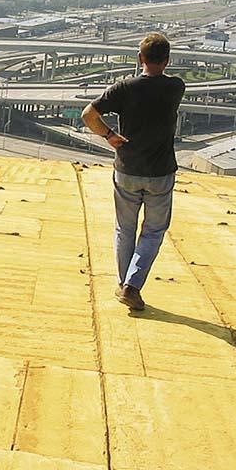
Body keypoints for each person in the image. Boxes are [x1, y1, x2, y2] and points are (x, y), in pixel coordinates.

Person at [81, 33, 185, 311]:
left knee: (124, 229)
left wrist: (109, 135)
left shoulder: (123, 88)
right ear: (167, 60)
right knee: (153, 231)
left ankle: (124, 284)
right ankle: (132, 286)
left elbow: (88, 115)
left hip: (126, 169)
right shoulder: (176, 87)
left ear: (140, 58)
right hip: (161, 172)